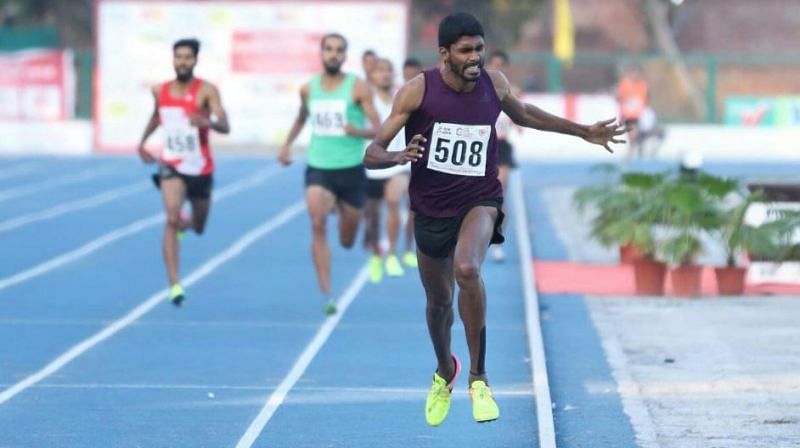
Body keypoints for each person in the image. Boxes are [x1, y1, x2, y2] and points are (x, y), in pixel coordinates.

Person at [364, 13, 624, 426]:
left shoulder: (494, 83)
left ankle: (479, 377)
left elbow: (525, 115)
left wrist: (581, 131)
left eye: (479, 49)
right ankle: (444, 370)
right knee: (438, 303)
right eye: (466, 50)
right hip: (431, 207)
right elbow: (371, 152)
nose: (475, 57)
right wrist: (397, 155)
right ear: (444, 53)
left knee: (467, 268)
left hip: (479, 198)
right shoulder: (417, 92)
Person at [279, 33, 380, 315]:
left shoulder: (357, 88)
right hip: (319, 167)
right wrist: (286, 145)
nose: (333, 54)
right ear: (321, 54)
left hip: (351, 170)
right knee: (317, 223)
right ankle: (327, 293)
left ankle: (341, 209)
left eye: (339, 50)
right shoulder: (308, 89)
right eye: (329, 50)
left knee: (347, 240)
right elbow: (301, 118)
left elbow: (379, 127)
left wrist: (357, 131)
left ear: (344, 56)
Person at [137, 38, 230, 306]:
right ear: (172, 59)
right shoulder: (160, 91)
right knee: (170, 216)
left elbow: (225, 125)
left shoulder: (207, 91)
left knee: (199, 227)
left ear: (196, 60)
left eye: (188, 57)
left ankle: (186, 224)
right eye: (179, 57)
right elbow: (157, 116)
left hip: (200, 168)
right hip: (171, 164)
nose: (183, 62)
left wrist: (207, 121)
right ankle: (175, 284)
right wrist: (142, 142)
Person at [363, 58, 416, 283]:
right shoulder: (364, 99)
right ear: (372, 75)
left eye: (388, 70)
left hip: (397, 162)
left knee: (395, 200)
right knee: (372, 218)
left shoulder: (402, 96)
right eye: (380, 71)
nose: (385, 74)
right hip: (371, 164)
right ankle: (376, 255)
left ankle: (393, 253)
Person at [485, 49, 517, 262]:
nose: (498, 68)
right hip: (484, 143)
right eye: (494, 64)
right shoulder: (479, 88)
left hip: (503, 145)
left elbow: (520, 116)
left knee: (500, 191)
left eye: (501, 65)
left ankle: (497, 240)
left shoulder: (511, 91)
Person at [617, 66, 649, 160]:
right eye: (632, 73)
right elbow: (621, 98)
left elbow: (644, 99)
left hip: (637, 116)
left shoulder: (642, 85)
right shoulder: (625, 84)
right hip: (628, 116)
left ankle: (630, 157)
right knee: (632, 139)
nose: (634, 75)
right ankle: (629, 157)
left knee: (633, 139)